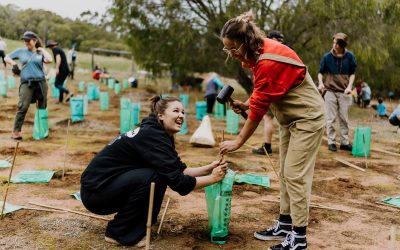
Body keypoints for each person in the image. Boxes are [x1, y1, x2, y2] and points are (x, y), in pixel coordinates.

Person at [219, 12, 325, 250]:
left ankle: (299, 237)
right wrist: (246, 103)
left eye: (232, 49)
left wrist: (238, 142)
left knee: (295, 174)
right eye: (227, 50)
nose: (232, 54)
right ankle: (286, 223)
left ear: (244, 42)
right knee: (286, 173)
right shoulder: (259, 54)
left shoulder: (267, 60)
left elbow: (257, 112)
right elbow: (264, 93)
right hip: (290, 119)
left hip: (307, 118)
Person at [80, 95, 228, 246]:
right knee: (152, 177)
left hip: (105, 188)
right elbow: (179, 183)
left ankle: (137, 226)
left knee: (157, 174)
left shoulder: (158, 133)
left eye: (183, 112)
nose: (181, 115)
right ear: (161, 115)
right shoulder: (152, 135)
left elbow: (178, 169)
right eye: (176, 111)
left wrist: (209, 169)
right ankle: (118, 232)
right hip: (96, 193)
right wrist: (212, 179)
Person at [4, 31, 53, 140]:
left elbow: (49, 60)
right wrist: (14, 64)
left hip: (40, 82)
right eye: (25, 41)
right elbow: (6, 57)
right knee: (23, 106)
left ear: (35, 41)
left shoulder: (40, 53)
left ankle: (41, 131)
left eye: (28, 40)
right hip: (27, 83)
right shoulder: (21, 51)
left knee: (42, 107)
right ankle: (16, 132)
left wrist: (43, 50)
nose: (26, 43)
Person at [318, 32, 357, 152]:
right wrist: (321, 83)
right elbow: (320, 72)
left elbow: (352, 74)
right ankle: (331, 142)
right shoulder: (327, 57)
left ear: (342, 45)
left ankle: (344, 142)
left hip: (344, 91)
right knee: (330, 118)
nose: (334, 45)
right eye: (334, 42)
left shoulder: (350, 56)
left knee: (344, 118)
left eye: (337, 43)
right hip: (330, 91)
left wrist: (349, 87)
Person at [252, 31, 288, 155]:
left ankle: (267, 146)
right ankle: (288, 146)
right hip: (287, 92)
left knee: (268, 118)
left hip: (273, 91)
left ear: (273, 39)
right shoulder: (288, 51)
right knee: (286, 121)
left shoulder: (271, 52)